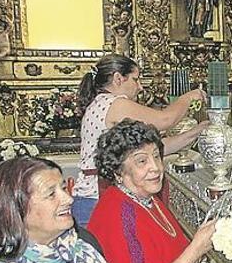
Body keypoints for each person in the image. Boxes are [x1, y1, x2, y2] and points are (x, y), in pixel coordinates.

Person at [88, 120, 216, 263]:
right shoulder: (118, 215)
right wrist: (195, 249)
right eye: (141, 161)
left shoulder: (144, 197)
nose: (155, 167)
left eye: (156, 156)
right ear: (118, 171)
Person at [73, 54, 207, 226]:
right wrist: (188, 97)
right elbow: (166, 120)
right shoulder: (113, 104)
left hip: (96, 199)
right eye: (135, 80)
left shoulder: (103, 103)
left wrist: (196, 132)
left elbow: (153, 150)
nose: (140, 87)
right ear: (118, 79)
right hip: (96, 200)